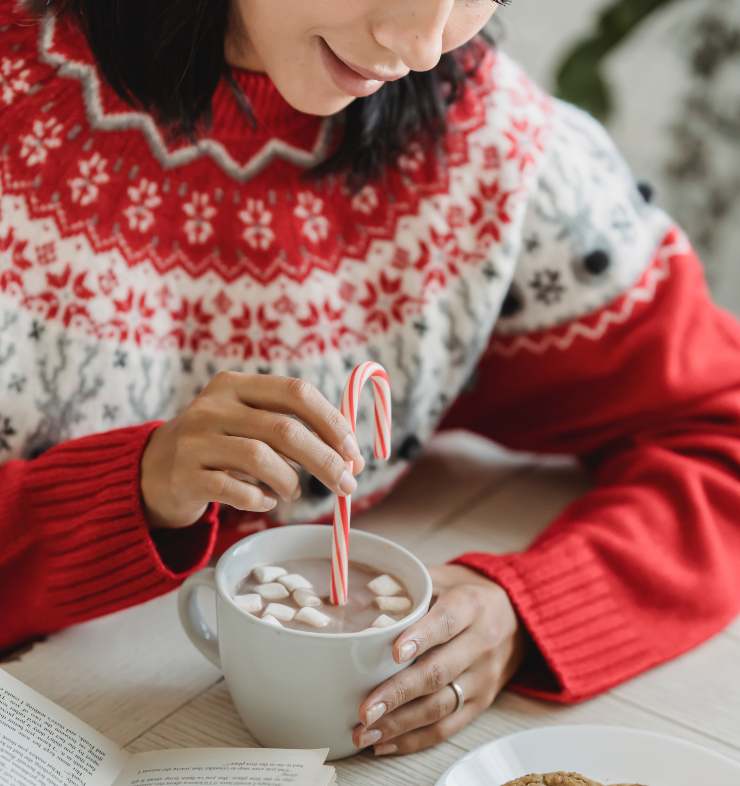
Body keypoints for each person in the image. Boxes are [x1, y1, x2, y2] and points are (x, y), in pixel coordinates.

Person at [1, 0, 739, 758]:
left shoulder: (489, 152)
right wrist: (131, 493)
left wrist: (523, 611)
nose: (421, 44)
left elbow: (722, 430)